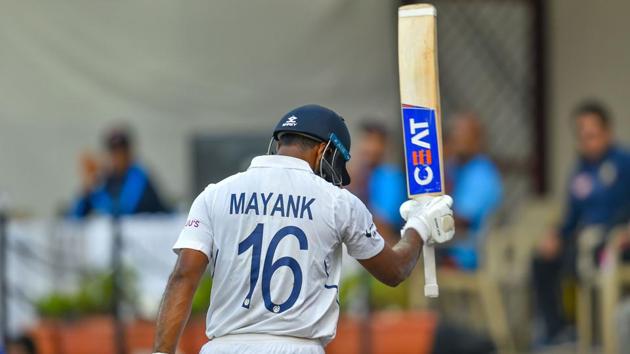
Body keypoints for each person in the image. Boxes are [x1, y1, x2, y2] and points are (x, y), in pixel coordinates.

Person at [152, 104, 455, 354]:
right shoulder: (339, 202)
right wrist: (419, 225)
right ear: (324, 151)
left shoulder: (215, 194)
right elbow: (394, 271)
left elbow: (184, 275)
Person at [533, 101, 630, 344]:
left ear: (607, 132)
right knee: (542, 260)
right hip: (583, 240)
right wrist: (555, 235)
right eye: (582, 135)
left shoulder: (623, 164)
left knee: (580, 258)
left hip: (617, 242)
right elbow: (571, 216)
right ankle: (560, 331)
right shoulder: (580, 170)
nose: (587, 141)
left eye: (592, 134)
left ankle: (596, 334)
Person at [442, 113, 503, 271]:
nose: (456, 138)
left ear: (477, 139)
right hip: (448, 245)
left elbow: (461, 220)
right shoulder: (456, 167)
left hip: (469, 254)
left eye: (462, 133)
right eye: (453, 133)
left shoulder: (481, 173)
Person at [68, 126, 170, 217]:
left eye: (121, 152)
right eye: (113, 152)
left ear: (129, 153)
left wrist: (97, 190)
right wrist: (87, 189)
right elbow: (75, 216)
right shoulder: (104, 180)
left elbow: (125, 209)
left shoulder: (139, 176)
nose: (117, 157)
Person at [347, 121, 407, 239]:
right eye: (367, 140)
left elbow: (385, 225)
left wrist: (356, 187)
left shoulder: (391, 177)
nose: (371, 148)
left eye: (377, 142)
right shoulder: (346, 173)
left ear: (385, 147)